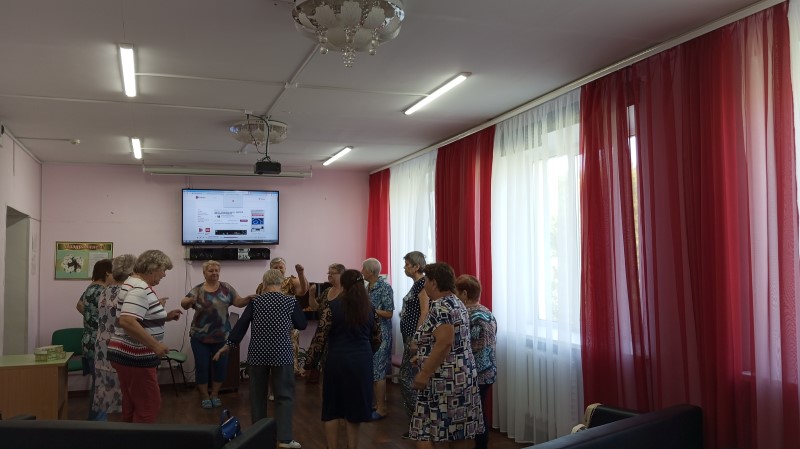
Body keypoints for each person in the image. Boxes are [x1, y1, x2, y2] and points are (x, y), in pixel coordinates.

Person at [215, 268, 307, 449]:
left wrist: (228, 345)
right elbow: (302, 324)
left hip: (257, 354)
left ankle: (258, 437)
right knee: (284, 396)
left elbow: (241, 325)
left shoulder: (256, 302)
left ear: (264, 284)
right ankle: (285, 439)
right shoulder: (290, 301)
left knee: (257, 397)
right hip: (282, 354)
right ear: (281, 283)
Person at [410, 263, 483, 449]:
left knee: (425, 431)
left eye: (426, 281)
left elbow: (444, 342)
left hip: (443, 379)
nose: (425, 285)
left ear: (434, 283)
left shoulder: (441, 306)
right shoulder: (456, 302)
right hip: (460, 375)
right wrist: (423, 355)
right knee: (459, 431)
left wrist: (424, 373)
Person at [304, 269, 379, 449]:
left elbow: (320, 338)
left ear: (343, 285)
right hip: (362, 362)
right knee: (354, 410)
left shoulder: (332, 307)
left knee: (332, 409)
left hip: (337, 361)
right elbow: (377, 339)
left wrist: (309, 364)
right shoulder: (370, 309)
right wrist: (365, 353)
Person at [107, 250, 183, 423]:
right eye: (163, 270)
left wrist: (165, 316)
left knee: (131, 403)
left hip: (125, 355)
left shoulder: (132, 283)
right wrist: (155, 345)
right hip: (135, 357)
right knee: (148, 405)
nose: (164, 275)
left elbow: (139, 316)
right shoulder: (139, 288)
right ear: (152, 268)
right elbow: (127, 321)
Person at [181, 260, 252, 409]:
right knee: (202, 367)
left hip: (222, 337)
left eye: (216, 270)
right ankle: (205, 396)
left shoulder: (226, 288)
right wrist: (188, 301)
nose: (214, 273)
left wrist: (249, 298)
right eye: (211, 270)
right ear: (204, 273)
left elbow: (238, 302)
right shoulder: (198, 289)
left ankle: (214, 394)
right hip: (200, 337)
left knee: (221, 367)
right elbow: (184, 304)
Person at [90, 254, 136, 421]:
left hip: (103, 346)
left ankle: (103, 429)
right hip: (119, 347)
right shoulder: (127, 292)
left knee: (105, 392)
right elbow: (129, 322)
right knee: (125, 395)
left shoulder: (105, 291)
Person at [455, 275, 497, 449]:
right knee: (480, 412)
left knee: (472, 415)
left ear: (464, 294)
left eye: (456, 293)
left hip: (473, 374)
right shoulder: (488, 313)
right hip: (488, 371)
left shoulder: (466, 316)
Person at [257, 257, 309, 377]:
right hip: (268, 329)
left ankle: (287, 383)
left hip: (288, 329)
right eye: (275, 267)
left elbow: (303, 291)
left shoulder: (290, 281)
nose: (279, 269)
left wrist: (301, 274)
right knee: (270, 359)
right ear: (270, 269)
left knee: (288, 359)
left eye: (281, 267)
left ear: (285, 268)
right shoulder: (262, 285)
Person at [76, 258, 113, 420]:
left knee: (98, 384)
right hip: (100, 344)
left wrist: (90, 317)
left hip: (88, 341)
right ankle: (97, 426)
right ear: (107, 273)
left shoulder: (90, 288)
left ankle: (94, 423)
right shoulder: (103, 291)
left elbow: (79, 305)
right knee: (102, 386)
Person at [399, 251, 430, 434]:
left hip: (414, 339)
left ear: (417, 266)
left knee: (406, 378)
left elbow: (424, 312)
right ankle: (417, 424)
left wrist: (416, 338)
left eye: (407, 264)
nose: (404, 267)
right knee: (407, 378)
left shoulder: (422, 284)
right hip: (409, 337)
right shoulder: (416, 284)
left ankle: (419, 425)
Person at [361, 258, 394, 420]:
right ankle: (376, 404)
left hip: (382, 335)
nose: (361, 271)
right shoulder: (367, 287)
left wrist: (370, 310)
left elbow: (389, 313)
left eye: (363, 269)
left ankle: (382, 409)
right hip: (370, 334)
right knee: (373, 371)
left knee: (378, 372)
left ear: (370, 271)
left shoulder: (385, 287)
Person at [304, 263, 345, 382]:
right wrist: (311, 295)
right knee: (326, 367)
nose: (329, 275)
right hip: (324, 335)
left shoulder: (347, 292)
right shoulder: (327, 291)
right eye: (328, 273)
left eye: (332, 273)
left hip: (339, 335)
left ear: (341, 274)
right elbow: (315, 307)